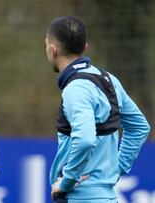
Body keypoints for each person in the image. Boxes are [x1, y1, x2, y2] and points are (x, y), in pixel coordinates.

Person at [45, 16, 151, 203]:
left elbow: (85, 138)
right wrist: (115, 169)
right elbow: (139, 127)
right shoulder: (109, 80)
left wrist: (67, 181)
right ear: (84, 47)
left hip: (79, 197)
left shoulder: (75, 89)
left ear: (53, 50)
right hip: (108, 197)